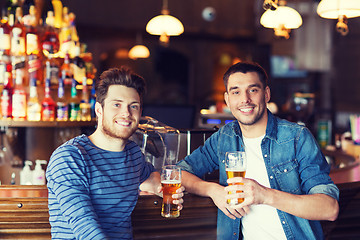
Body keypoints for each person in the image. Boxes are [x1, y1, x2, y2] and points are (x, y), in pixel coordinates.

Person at [177, 61, 339, 240]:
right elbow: (179, 173)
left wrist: (264, 195)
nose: (245, 99)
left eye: (253, 90)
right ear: (227, 100)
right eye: (236, 92)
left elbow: (329, 208)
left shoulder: (297, 137)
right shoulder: (224, 138)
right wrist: (213, 191)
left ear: (266, 94)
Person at [46, 67, 184, 240]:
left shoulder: (133, 154)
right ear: (99, 110)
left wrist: (161, 189)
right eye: (116, 104)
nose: (126, 113)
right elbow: (85, 229)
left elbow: (149, 176)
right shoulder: (70, 157)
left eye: (133, 106)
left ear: (140, 113)